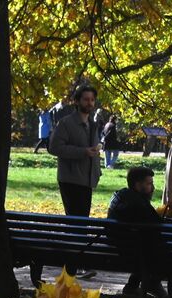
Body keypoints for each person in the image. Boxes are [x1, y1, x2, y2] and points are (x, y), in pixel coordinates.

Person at [44, 85, 102, 282]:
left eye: (92, 100)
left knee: (82, 222)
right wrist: (82, 152)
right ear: (77, 101)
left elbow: (93, 151)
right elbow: (54, 147)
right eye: (85, 99)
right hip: (70, 179)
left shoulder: (94, 124)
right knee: (76, 222)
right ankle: (72, 267)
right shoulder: (66, 123)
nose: (89, 103)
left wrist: (97, 170)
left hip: (87, 179)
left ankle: (75, 265)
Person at [107, 166, 172, 298]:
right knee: (162, 250)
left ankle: (133, 286)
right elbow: (156, 224)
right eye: (149, 183)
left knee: (149, 247)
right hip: (132, 248)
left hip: (120, 242)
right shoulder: (137, 203)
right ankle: (154, 284)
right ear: (138, 185)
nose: (153, 187)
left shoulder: (121, 195)